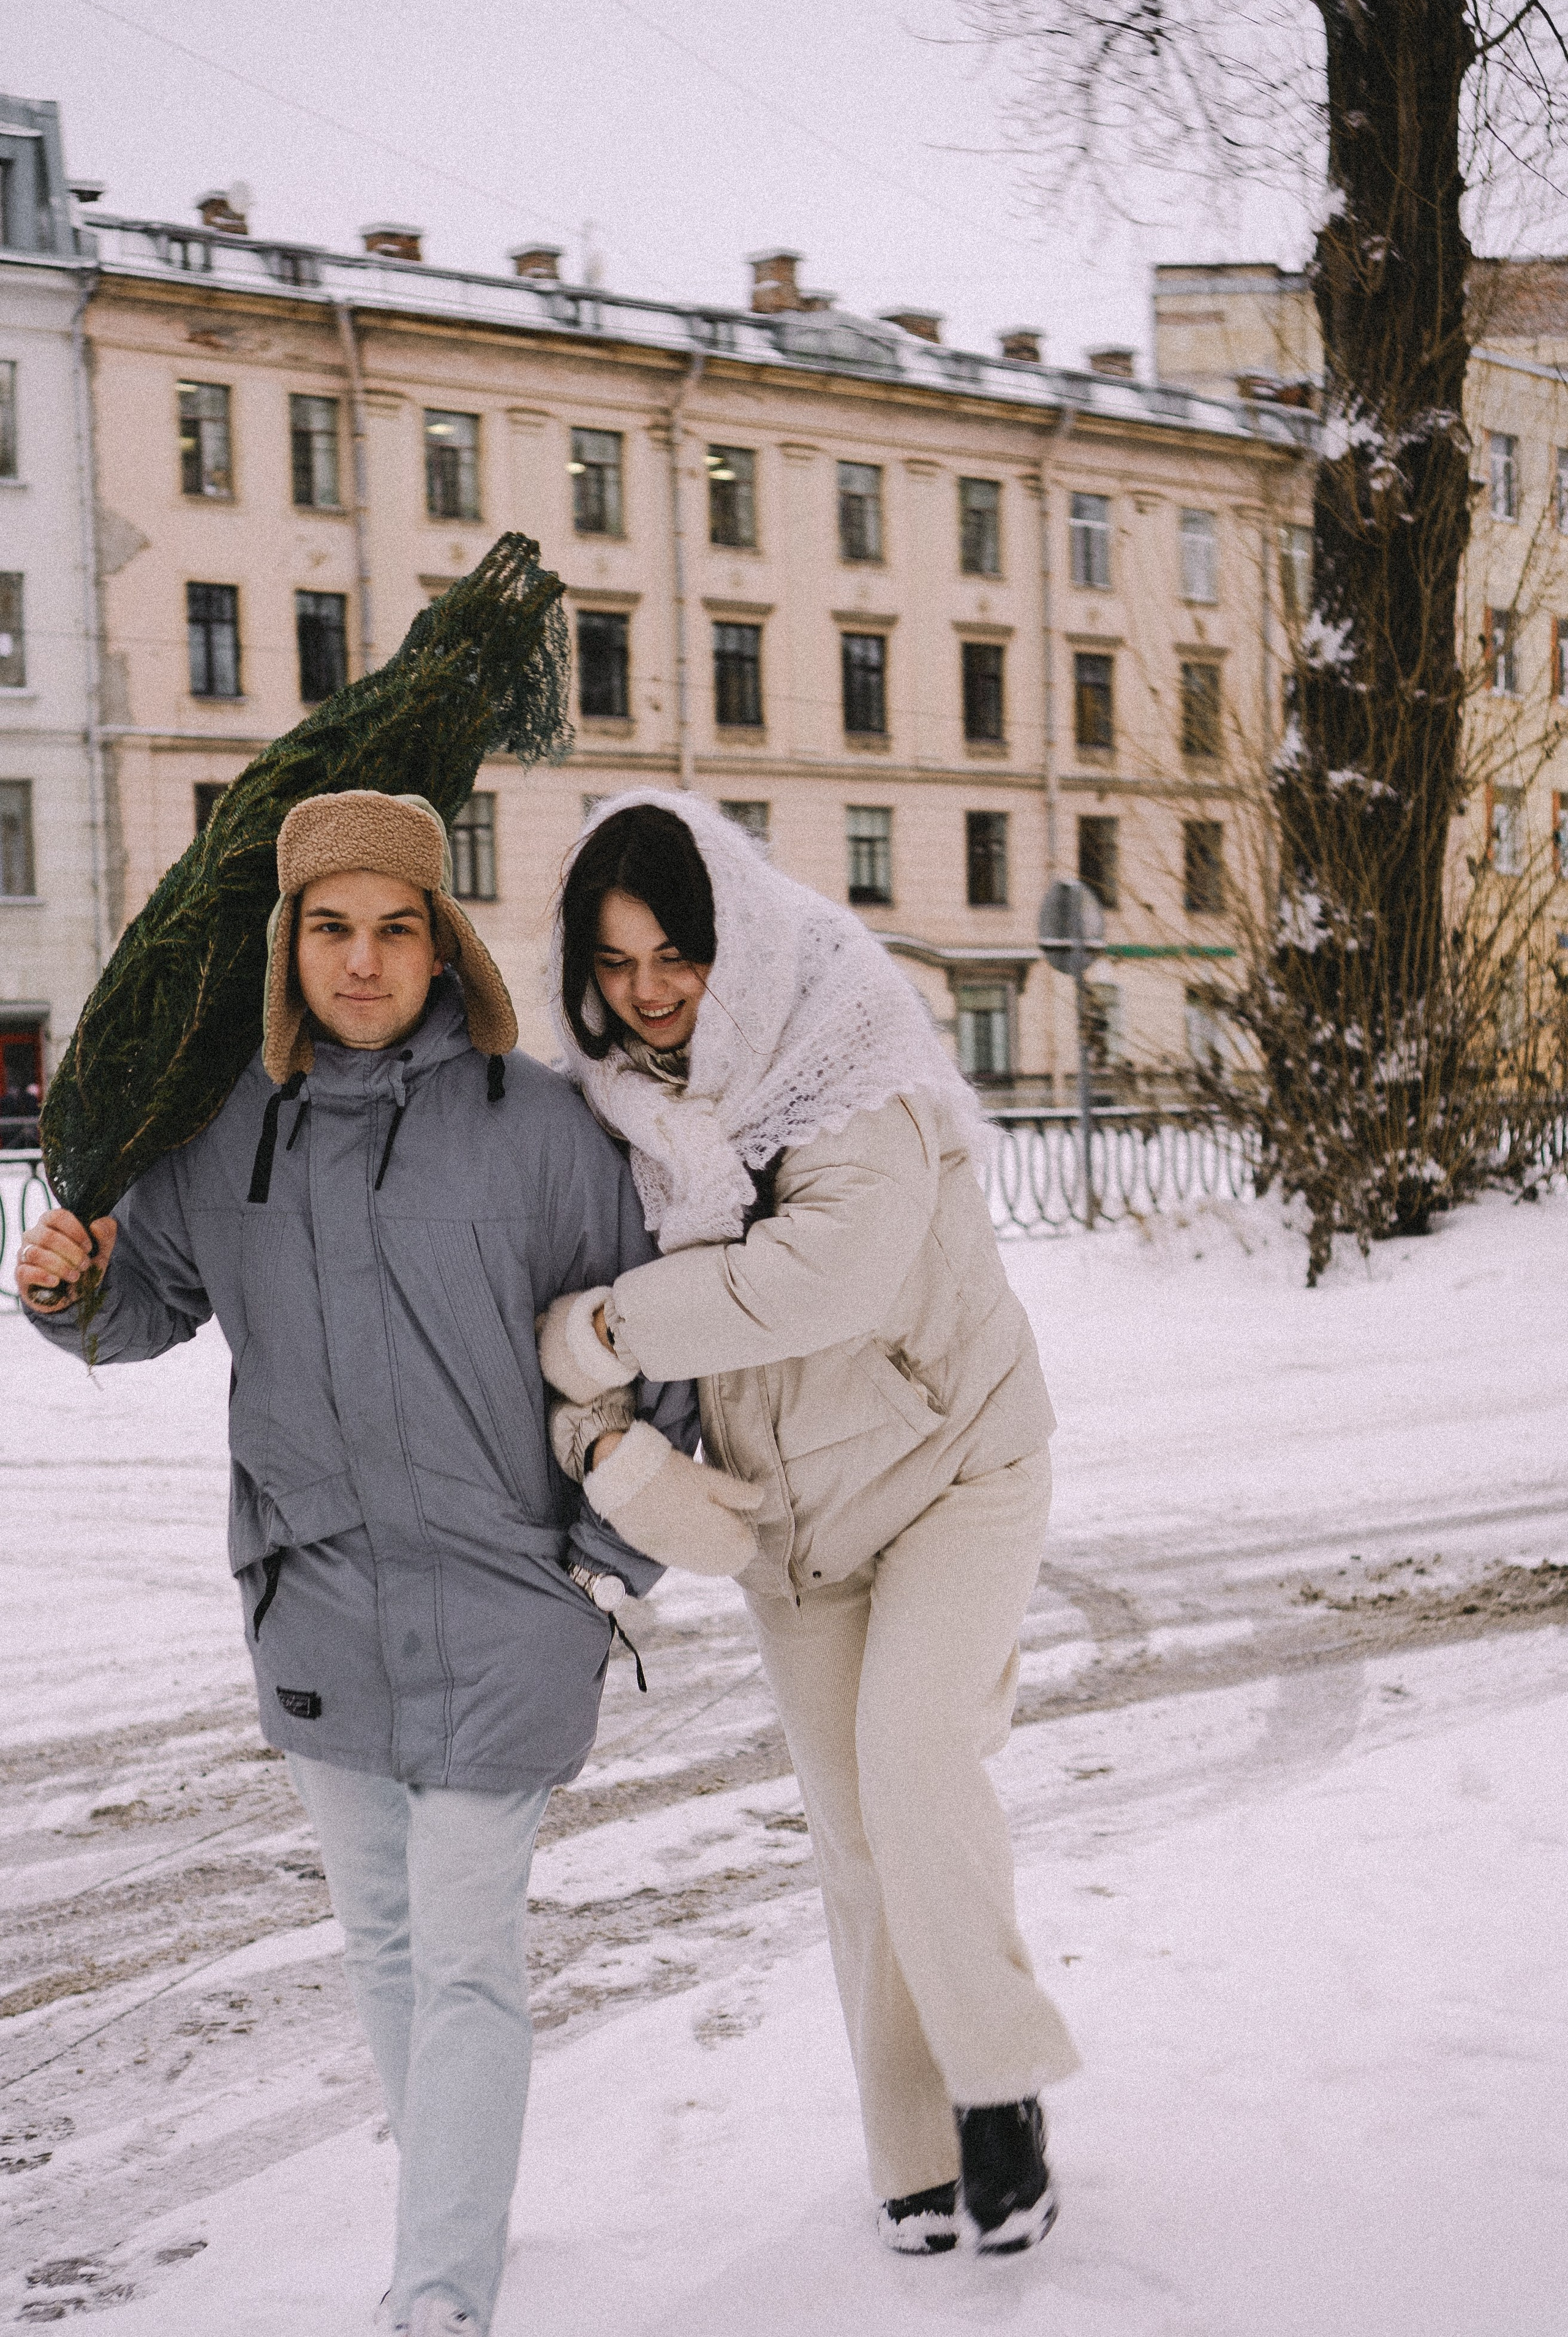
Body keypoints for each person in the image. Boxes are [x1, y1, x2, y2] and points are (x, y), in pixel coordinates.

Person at [17, 791, 756, 2337]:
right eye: (332, 929)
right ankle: (456, 2210)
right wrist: (67, 1288)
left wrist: (598, 1567)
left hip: (505, 1609)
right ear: (292, 946)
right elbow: (147, 1298)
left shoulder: (540, 1126)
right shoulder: (225, 1127)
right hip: (314, 1602)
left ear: (444, 942)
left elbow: (657, 1350)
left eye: (396, 926)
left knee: (469, 1960)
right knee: (384, 1945)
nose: (364, 961)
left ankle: (439, 2298)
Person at [535, 793, 1077, 2259]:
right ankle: (909, 2151)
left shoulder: (853, 1058)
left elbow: (819, 1281)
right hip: (792, 1519)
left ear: (740, 941)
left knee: (912, 1760)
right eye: (618, 963)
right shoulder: (612, 1111)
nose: (648, 992)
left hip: (957, 1467)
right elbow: (541, 1328)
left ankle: (997, 2086)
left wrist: (600, 1326)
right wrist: (606, 1446)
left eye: (678, 955)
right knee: (848, 1836)